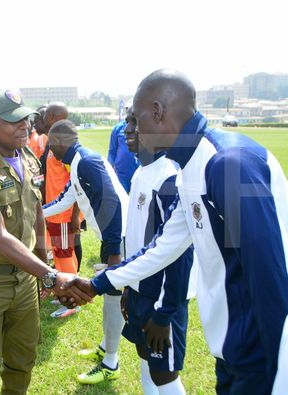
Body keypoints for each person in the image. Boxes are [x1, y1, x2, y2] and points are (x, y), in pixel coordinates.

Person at [65, 69, 288, 395]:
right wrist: (97, 283)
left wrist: (275, 370)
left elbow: (271, 277)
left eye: (136, 117)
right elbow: (164, 246)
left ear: (158, 112)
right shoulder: (191, 167)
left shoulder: (229, 163)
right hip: (234, 347)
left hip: (265, 352)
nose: (129, 129)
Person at [0, 89, 90, 394]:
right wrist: (51, 275)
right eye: (14, 121)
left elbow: (36, 214)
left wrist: (43, 269)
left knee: (22, 362)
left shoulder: (28, 158)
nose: (25, 125)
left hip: (26, 282)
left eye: (25, 119)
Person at [42, 119, 129, 384]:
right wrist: (35, 213)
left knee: (114, 300)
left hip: (121, 238)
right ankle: (106, 347)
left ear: (59, 143)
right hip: (114, 239)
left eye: (50, 146)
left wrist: (113, 251)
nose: (49, 152)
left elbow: (111, 202)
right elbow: (67, 197)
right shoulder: (78, 162)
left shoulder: (87, 161)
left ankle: (109, 362)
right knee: (111, 300)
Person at [117, 106, 193, 395]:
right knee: (146, 359)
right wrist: (128, 285)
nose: (127, 131)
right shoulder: (141, 170)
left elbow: (180, 253)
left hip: (162, 296)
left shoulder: (169, 177)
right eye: (126, 123)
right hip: (140, 288)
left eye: (135, 123)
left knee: (165, 374)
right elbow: (136, 238)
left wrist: (164, 313)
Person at [41, 103, 81, 318]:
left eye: (46, 115)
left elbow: (75, 184)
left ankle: (72, 300)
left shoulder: (64, 146)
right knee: (61, 253)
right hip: (54, 212)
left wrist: (75, 215)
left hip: (63, 214)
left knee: (64, 254)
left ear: (54, 117)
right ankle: (65, 291)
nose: (43, 119)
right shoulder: (55, 143)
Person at [108, 98, 140, 193]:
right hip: (121, 174)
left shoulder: (141, 126)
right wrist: (110, 171)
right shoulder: (117, 128)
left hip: (137, 170)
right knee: (121, 201)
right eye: (127, 109)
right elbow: (112, 151)